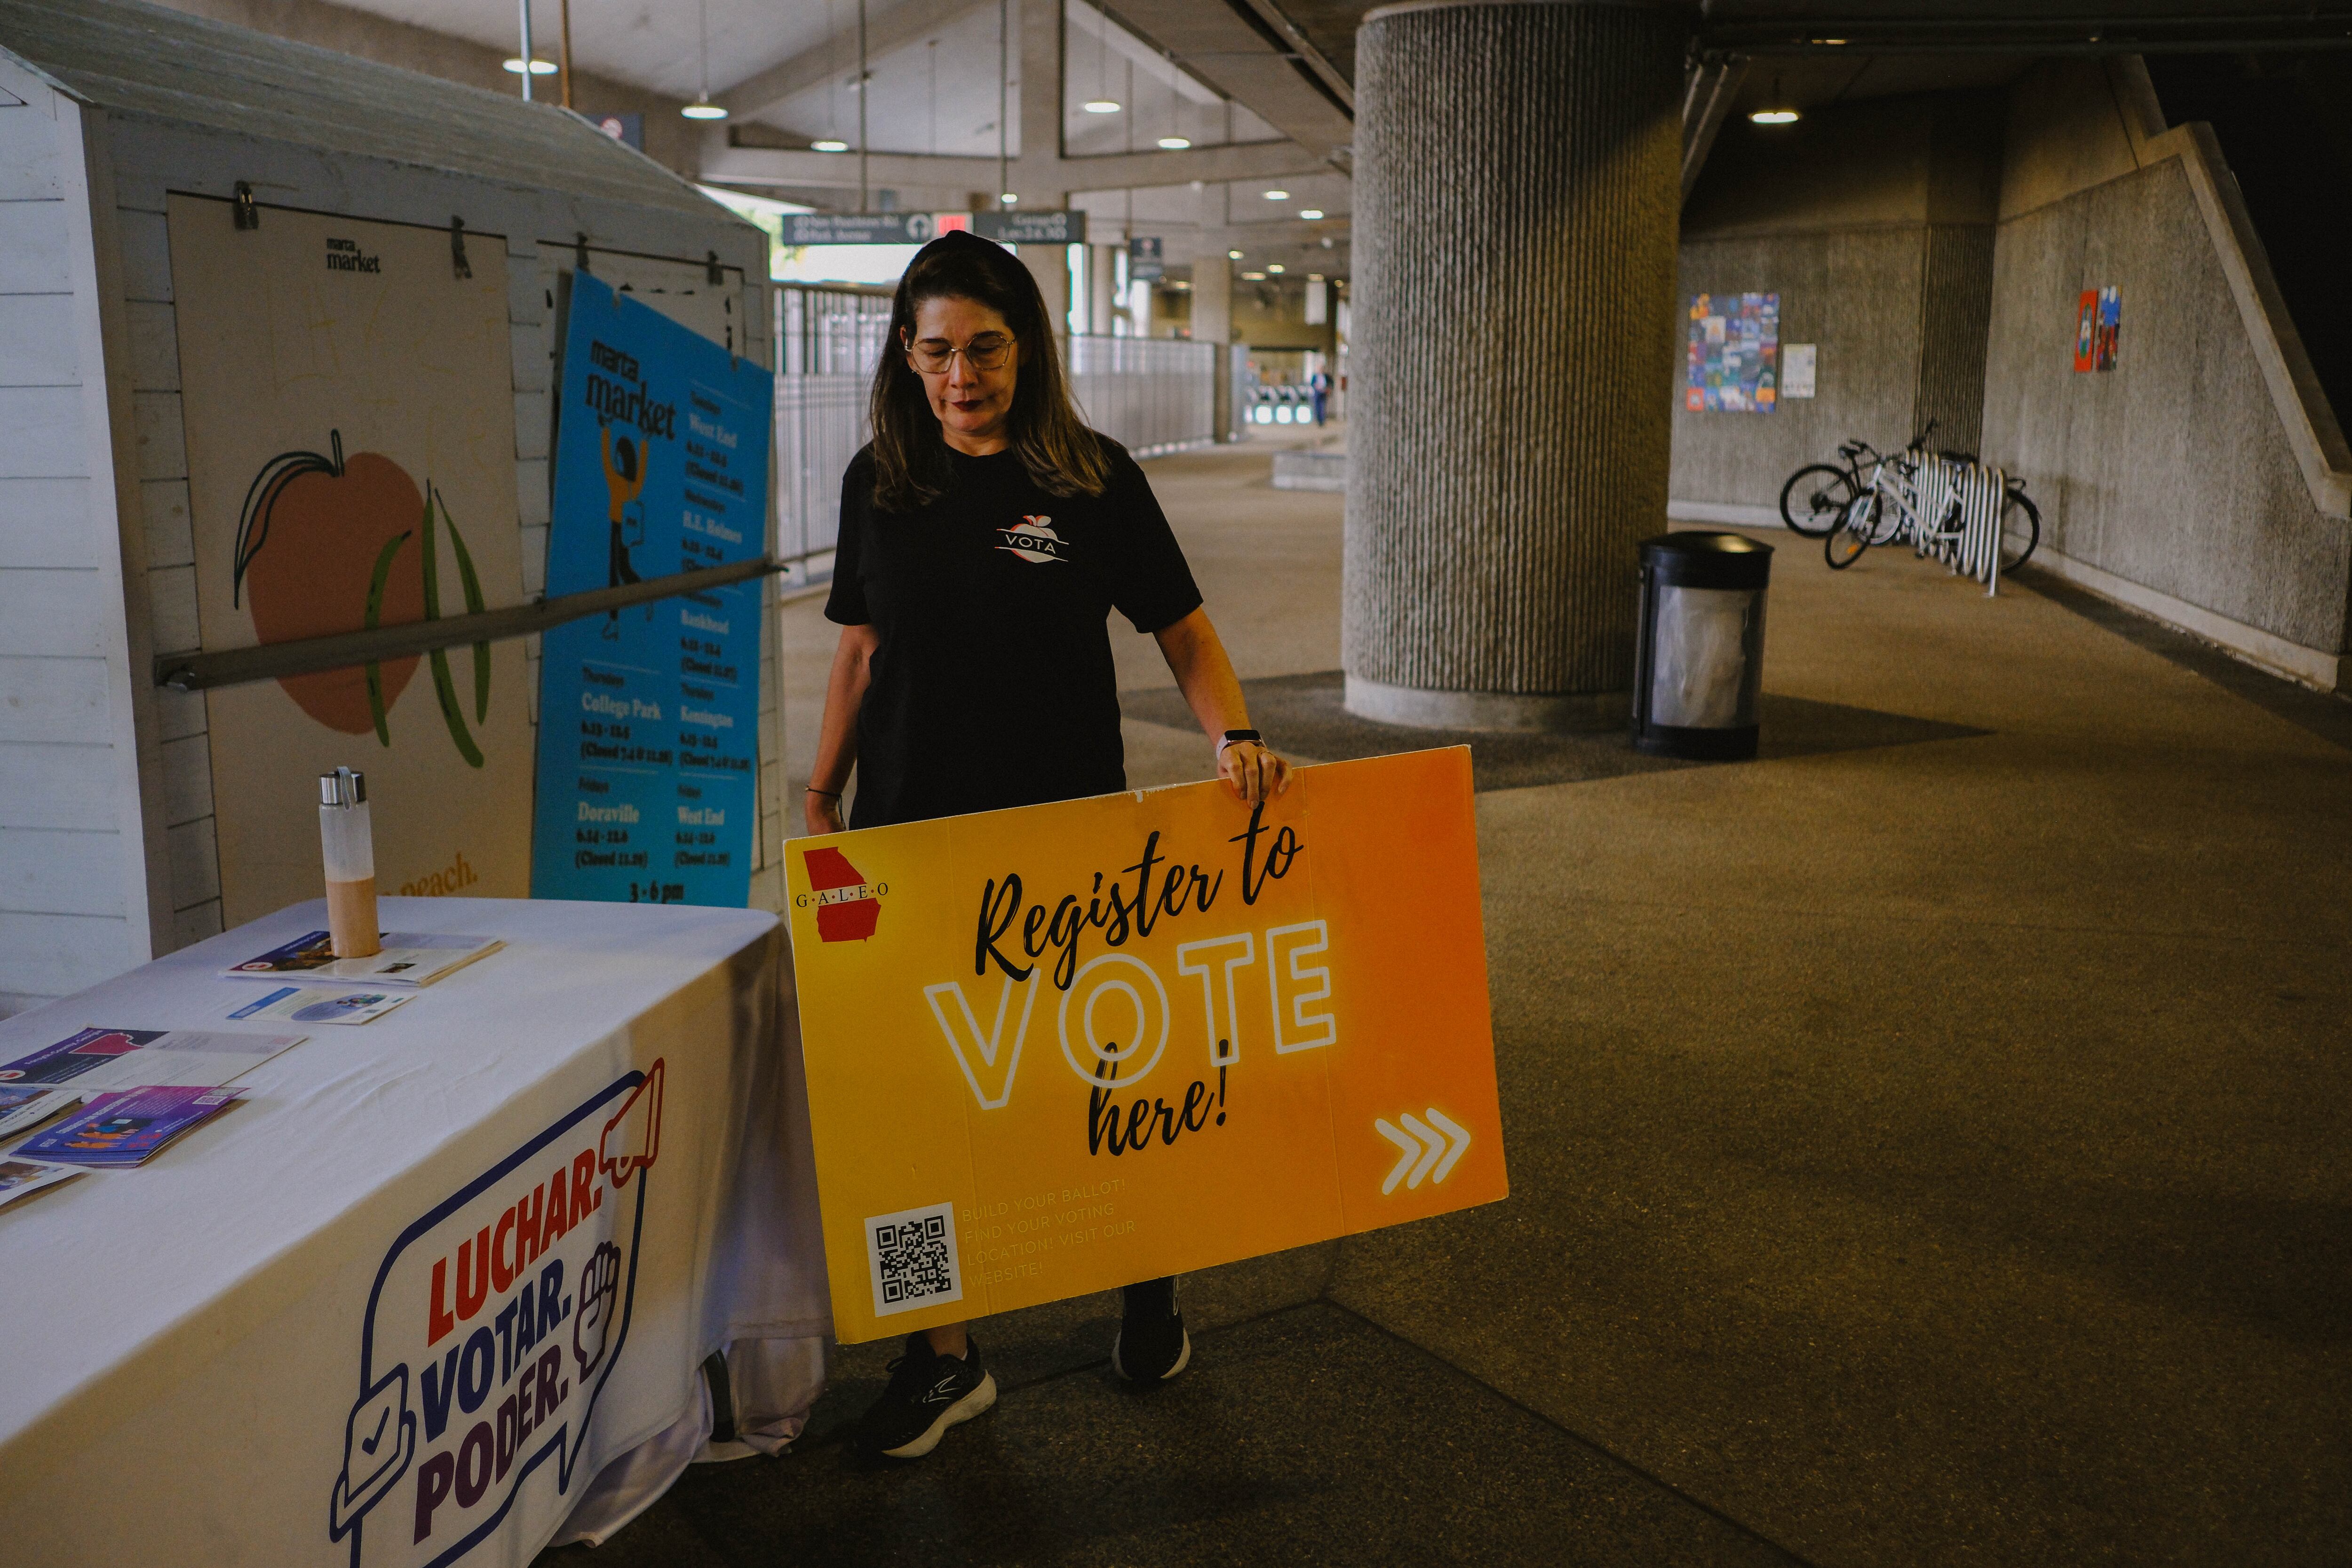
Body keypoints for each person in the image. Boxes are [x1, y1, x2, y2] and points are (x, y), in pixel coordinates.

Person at [806, 231, 1291, 1461]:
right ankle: (941, 1358)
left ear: (1026, 346)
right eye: (934, 352)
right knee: (910, 1115)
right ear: (905, 357)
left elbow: (1184, 633)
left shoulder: (1090, 478)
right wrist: (821, 797)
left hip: (1068, 845)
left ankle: (1147, 1287)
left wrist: (1233, 735)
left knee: (1103, 1090)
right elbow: (860, 649)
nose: (958, 376)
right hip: (911, 842)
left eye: (982, 348)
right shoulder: (879, 480)